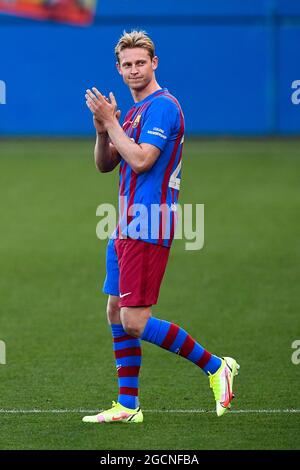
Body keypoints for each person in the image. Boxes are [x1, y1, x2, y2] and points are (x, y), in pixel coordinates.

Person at [83, 30, 239, 424]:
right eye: (127, 65)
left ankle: (216, 366)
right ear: (119, 70)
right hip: (125, 222)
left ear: (155, 63)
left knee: (133, 320)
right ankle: (128, 405)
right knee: (115, 308)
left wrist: (110, 122)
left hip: (149, 221)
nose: (134, 70)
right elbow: (106, 164)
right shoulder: (132, 114)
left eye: (141, 62)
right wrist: (103, 129)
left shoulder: (164, 107)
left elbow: (141, 160)